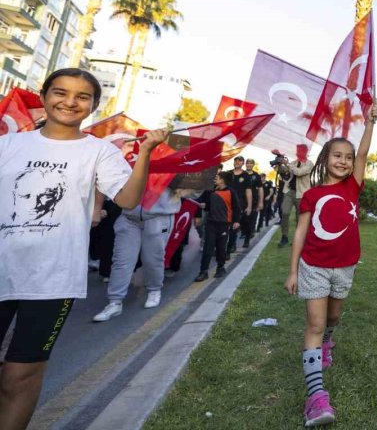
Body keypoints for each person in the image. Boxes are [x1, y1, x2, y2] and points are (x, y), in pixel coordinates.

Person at [0, 68, 167, 430]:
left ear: (92, 105)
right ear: (44, 95)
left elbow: (127, 197)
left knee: (20, 376)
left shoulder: (100, 152)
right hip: (2, 270)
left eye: (82, 97)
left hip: (53, 279)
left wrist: (146, 154)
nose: (70, 102)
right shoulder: (8, 146)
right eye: (60, 92)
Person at [284, 104, 377, 427]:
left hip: (345, 266)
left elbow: (365, 154)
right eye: (337, 155)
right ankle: (316, 398)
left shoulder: (353, 186)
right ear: (325, 159)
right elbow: (300, 232)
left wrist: (370, 125)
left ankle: (327, 343)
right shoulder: (311, 194)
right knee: (314, 324)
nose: (343, 161)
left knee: (332, 318)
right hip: (314, 266)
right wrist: (294, 270)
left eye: (348, 157)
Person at [93, 186, 182, 322]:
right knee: (122, 260)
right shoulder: (129, 164)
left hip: (159, 215)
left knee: (153, 258)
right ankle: (115, 301)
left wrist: (179, 186)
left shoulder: (172, 166)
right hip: (128, 216)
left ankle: (154, 290)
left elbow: (194, 188)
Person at [194, 172, 241, 282]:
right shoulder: (212, 190)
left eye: (217, 178)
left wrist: (236, 221)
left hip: (224, 224)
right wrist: (204, 206)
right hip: (211, 223)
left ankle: (221, 268)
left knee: (221, 248)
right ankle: (203, 271)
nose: (215, 179)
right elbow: (208, 206)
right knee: (207, 248)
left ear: (223, 180)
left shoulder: (231, 192)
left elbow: (236, 207)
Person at [274, 146, 314, 248]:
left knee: (299, 217)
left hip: (302, 193)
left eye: (300, 151)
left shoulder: (309, 163)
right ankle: (284, 236)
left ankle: (299, 238)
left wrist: (287, 164)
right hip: (289, 191)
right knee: (285, 212)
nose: (298, 153)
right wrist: (280, 162)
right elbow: (285, 172)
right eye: (297, 151)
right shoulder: (293, 163)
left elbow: (299, 172)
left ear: (305, 152)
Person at [222, 156, 252, 253]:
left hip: (239, 205)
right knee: (225, 225)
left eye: (239, 161)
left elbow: (248, 191)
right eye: (236, 161)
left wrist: (249, 206)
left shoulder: (246, 176)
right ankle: (224, 246)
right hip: (226, 203)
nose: (237, 162)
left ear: (242, 163)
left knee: (234, 226)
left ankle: (231, 246)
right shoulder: (228, 174)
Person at [244, 158, 264, 242]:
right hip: (242, 200)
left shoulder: (256, 176)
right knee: (242, 220)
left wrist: (260, 202)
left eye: (251, 163)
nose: (249, 165)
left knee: (250, 220)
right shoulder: (242, 174)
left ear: (253, 165)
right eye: (247, 163)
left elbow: (260, 189)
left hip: (253, 200)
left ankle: (247, 239)